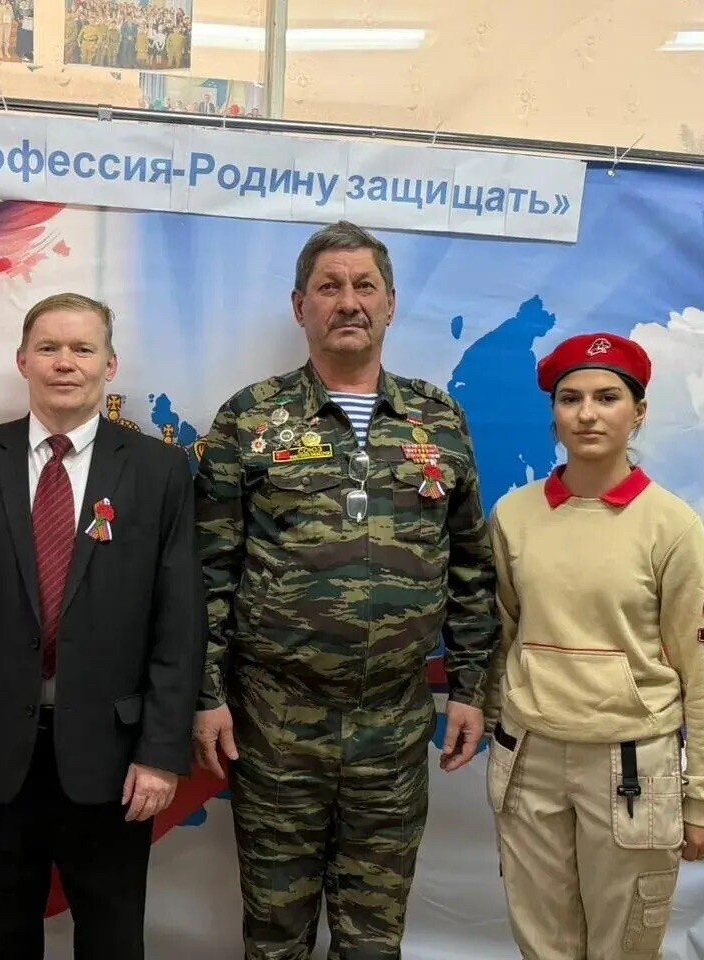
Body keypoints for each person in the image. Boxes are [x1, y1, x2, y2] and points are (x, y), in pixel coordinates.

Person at [194, 220, 499, 959]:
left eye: (365, 286)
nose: (349, 301)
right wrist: (206, 695)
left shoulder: (438, 418)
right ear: (300, 306)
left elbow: (469, 564)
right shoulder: (250, 418)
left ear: (390, 303)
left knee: (373, 939)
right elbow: (209, 571)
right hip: (275, 723)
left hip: (394, 725)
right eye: (329, 287)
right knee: (275, 935)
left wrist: (469, 688)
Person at [0, 292, 206, 960]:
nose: (64, 362)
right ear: (22, 360)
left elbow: (179, 624)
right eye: (48, 347)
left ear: (110, 364)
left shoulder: (158, 471)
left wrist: (161, 752)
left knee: (111, 942)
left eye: (82, 348)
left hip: (114, 759)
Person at [484, 333, 704, 960]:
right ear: (554, 413)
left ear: (638, 412)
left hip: (631, 766)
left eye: (607, 397)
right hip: (531, 758)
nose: (587, 414)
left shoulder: (672, 526)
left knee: (624, 947)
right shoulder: (514, 516)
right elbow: (501, 636)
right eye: (570, 399)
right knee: (542, 944)